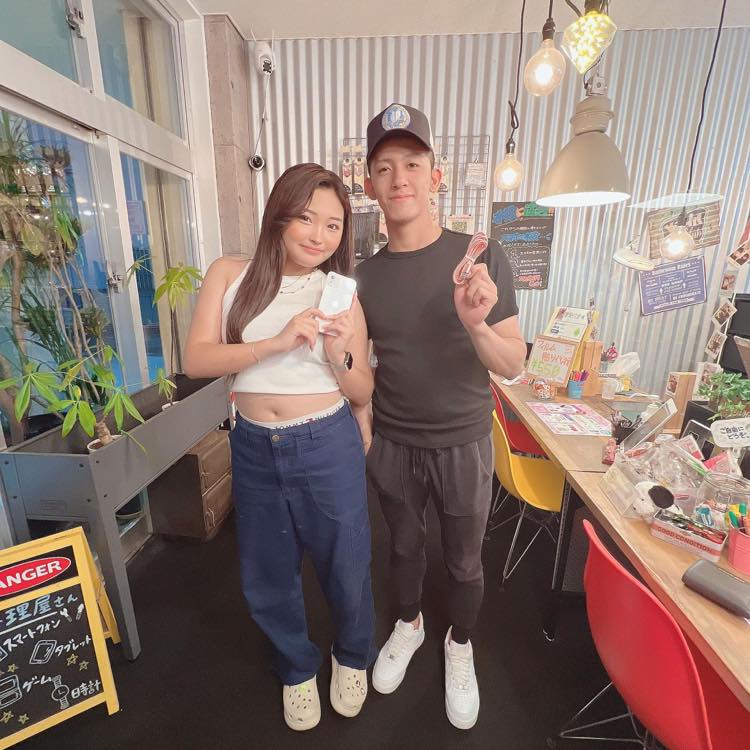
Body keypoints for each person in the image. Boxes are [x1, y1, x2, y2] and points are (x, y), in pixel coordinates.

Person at [183, 163, 375, 732]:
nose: (319, 236)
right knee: (267, 568)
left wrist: (340, 354)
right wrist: (275, 342)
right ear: (279, 215)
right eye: (307, 218)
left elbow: (363, 389)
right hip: (253, 444)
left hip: (327, 440)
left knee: (346, 561)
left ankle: (352, 656)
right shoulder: (230, 273)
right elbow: (197, 360)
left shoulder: (341, 295)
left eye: (334, 225)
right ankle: (296, 667)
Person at [355, 103, 526, 730]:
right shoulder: (363, 277)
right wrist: (367, 438)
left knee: (463, 561)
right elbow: (357, 374)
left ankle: (460, 644)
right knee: (402, 548)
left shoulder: (480, 258)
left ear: (437, 175)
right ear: (369, 184)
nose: (398, 178)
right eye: (384, 168)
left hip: (462, 443)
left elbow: (512, 364)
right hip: (394, 443)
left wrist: (475, 324)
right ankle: (409, 625)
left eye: (412, 163)